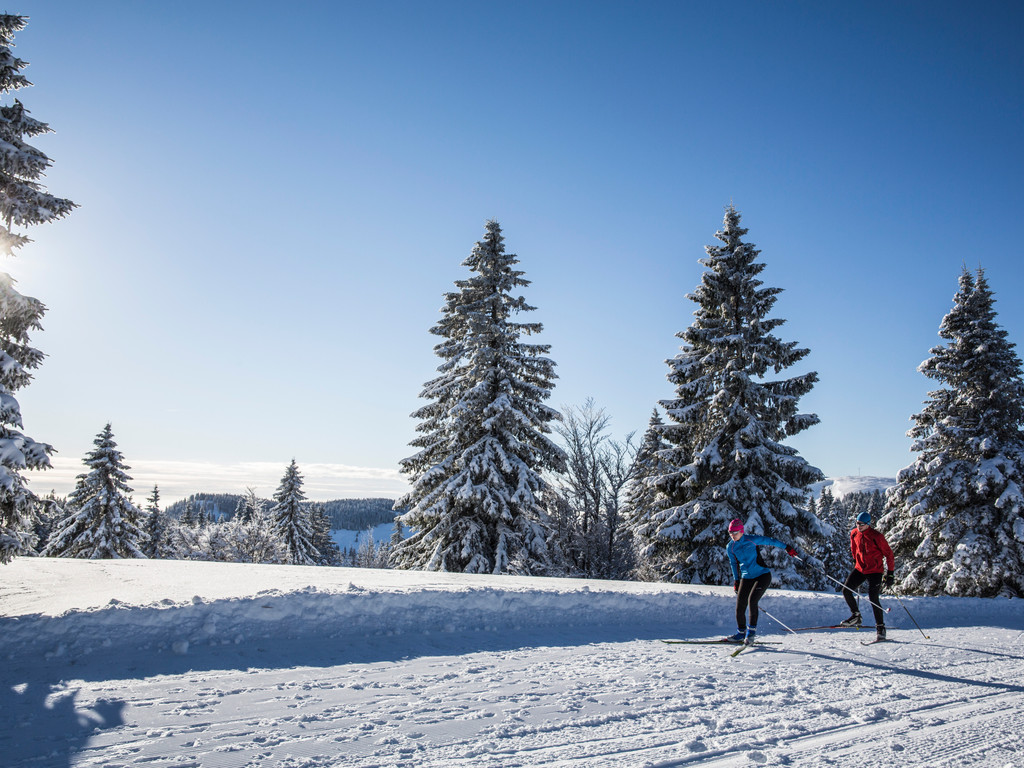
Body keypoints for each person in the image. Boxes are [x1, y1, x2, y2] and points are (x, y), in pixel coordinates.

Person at [724, 518, 798, 644]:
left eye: (735, 533)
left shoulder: (751, 539)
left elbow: (770, 541)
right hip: (746, 577)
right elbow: (733, 563)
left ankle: (751, 634)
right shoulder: (730, 547)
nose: (732, 535)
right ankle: (740, 633)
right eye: (730, 533)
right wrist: (736, 581)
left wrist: (787, 548)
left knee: (752, 600)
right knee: (740, 605)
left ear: (741, 531)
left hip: (762, 575)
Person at [838, 510, 895, 641]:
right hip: (860, 569)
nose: (859, 526)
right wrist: (855, 559)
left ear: (868, 524)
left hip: (875, 570)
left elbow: (889, 555)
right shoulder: (854, 533)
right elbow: (854, 548)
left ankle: (880, 628)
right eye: (857, 523)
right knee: (846, 590)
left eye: (862, 524)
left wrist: (890, 573)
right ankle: (856, 616)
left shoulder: (877, 536)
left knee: (873, 598)